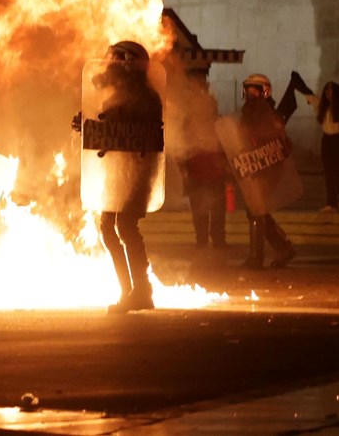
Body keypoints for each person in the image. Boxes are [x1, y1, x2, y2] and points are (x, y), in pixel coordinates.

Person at [74, 41, 163, 313]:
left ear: (127, 63)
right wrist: (87, 126)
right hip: (116, 172)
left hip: (135, 172)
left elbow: (134, 131)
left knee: (125, 227)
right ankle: (129, 291)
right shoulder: (120, 94)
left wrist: (108, 122)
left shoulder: (145, 97)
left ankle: (141, 290)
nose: (109, 65)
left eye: (115, 60)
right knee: (108, 229)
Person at [237, 74, 297, 269]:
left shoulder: (262, 110)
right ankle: (283, 248)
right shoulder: (253, 110)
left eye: (253, 89)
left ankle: (257, 257)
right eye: (247, 89)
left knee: (256, 210)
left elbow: (269, 137)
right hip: (255, 165)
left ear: (264, 90)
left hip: (264, 166)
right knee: (257, 210)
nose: (249, 93)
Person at [177, 70, 227, 250]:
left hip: (207, 167)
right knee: (208, 208)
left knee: (209, 208)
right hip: (203, 167)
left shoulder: (197, 119)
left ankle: (206, 241)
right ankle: (211, 241)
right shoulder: (195, 119)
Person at [302, 68, 339, 212]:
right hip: (327, 141)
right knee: (328, 172)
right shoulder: (321, 107)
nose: (329, 93)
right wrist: (297, 82)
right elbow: (309, 94)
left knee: (338, 171)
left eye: (331, 90)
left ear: (336, 92)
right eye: (327, 90)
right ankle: (331, 201)